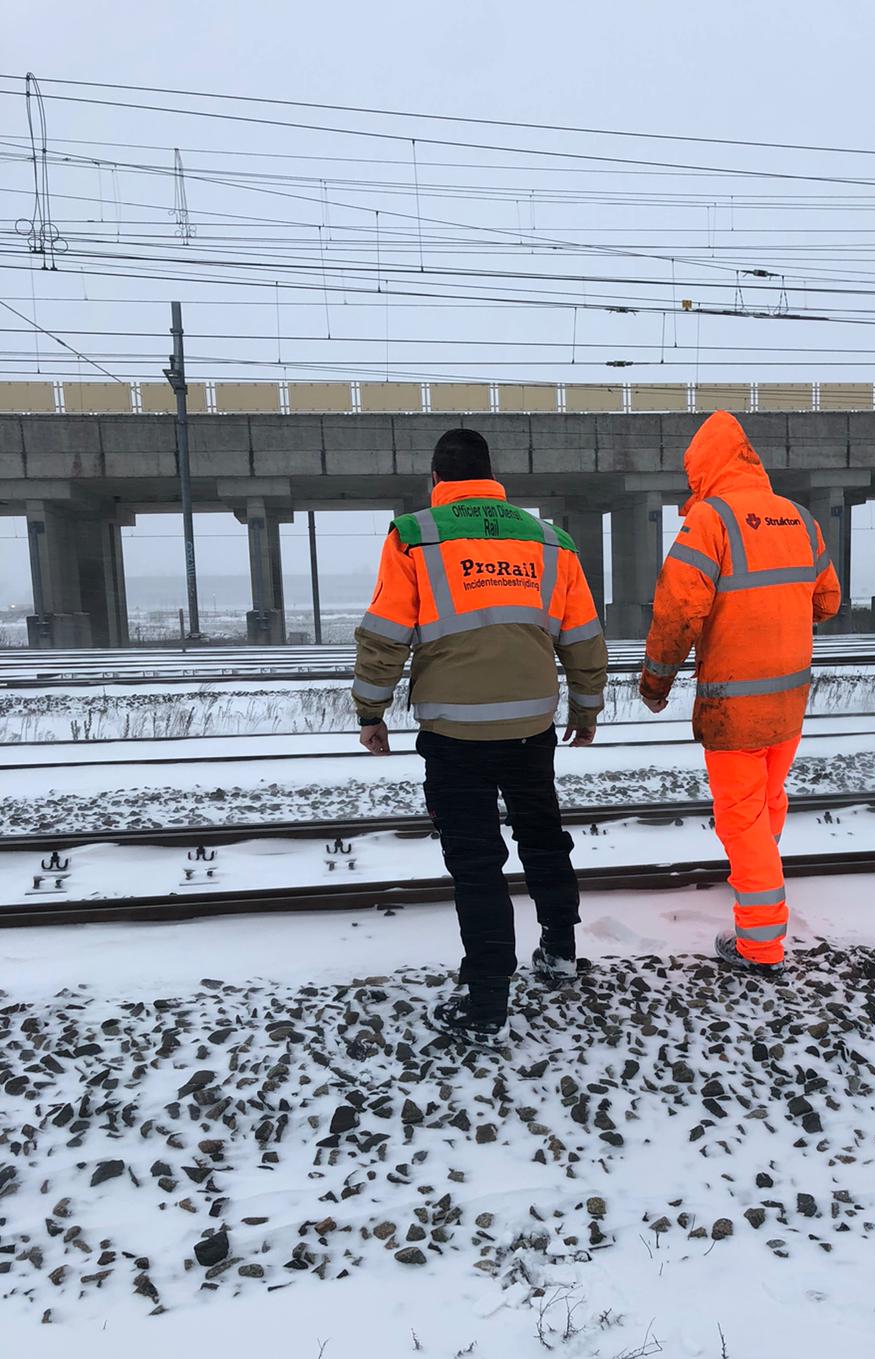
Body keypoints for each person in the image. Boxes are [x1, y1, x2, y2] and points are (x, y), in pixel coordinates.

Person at [352, 427, 608, 1040]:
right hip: (531, 724)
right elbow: (583, 636)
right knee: (543, 835)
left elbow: (387, 633)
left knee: (476, 862)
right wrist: (586, 708)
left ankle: (488, 998)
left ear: (437, 482)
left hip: (454, 731)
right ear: (494, 481)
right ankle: (560, 952)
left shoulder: (415, 535)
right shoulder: (552, 541)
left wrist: (371, 709)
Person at [639, 411, 841, 972]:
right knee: (768, 803)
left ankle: (760, 943)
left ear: (705, 466)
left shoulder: (710, 520)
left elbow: (678, 610)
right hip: (789, 700)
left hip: (734, 706)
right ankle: (763, 883)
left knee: (741, 820)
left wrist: (656, 681)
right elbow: (827, 601)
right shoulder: (799, 518)